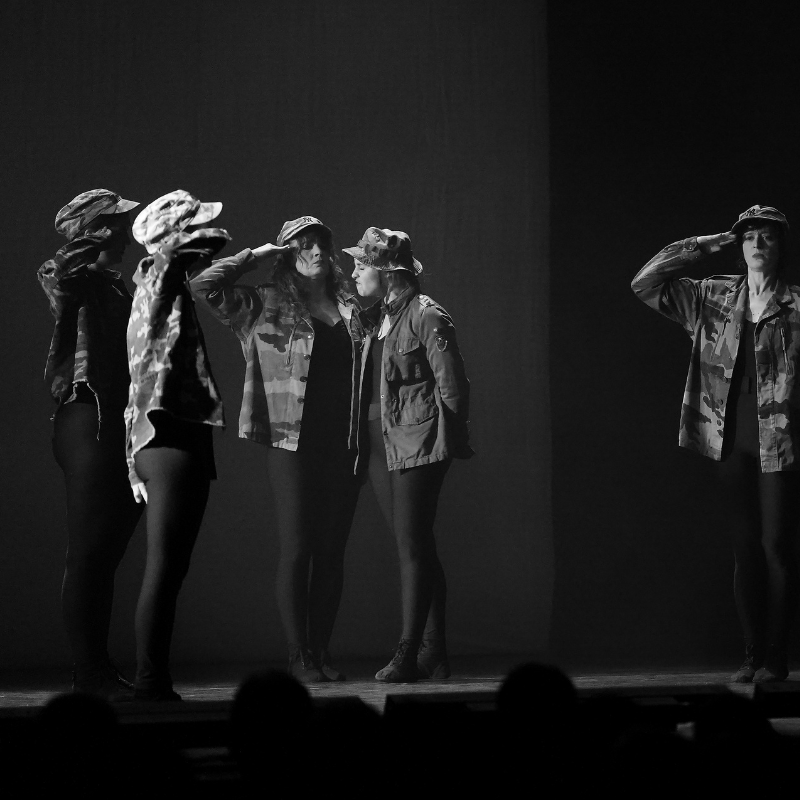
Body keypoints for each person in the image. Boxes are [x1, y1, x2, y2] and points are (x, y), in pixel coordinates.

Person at [191, 216, 367, 682]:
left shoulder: (351, 308)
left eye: (320, 244)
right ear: (288, 254)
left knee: (331, 551)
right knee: (298, 547)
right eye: (303, 245)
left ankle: (321, 651)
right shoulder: (262, 303)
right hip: (292, 442)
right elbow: (202, 287)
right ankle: (298, 655)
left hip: (345, 442)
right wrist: (256, 255)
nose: (315, 252)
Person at [632, 205, 800, 683]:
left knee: (776, 546)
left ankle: (776, 656)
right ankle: (751, 654)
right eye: (749, 237)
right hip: (728, 436)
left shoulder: (796, 305)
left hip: (780, 438)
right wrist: (704, 245)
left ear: (781, 246)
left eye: (767, 236)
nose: (757, 244)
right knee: (744, 548)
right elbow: (644, 283)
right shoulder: (713, 296)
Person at [346, 227, 473, 682]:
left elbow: (453, 385)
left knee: (412, 546)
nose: (354, 271)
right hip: (381, 444)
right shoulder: (377, 318)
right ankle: (434, 652)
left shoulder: (426, 315)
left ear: (386, 272)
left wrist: (447, 441)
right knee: (416, 545)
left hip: (417, 442)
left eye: (362, 264)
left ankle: (408, 653)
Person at [38, 188, 142, 699]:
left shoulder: (114, 285)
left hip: (117, 421)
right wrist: (90, 236)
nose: (125, 235)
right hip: (86, 417)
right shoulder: (69, 278)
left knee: (107, 552)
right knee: (88, 552)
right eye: (115, 226)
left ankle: (98, 665)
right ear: (93, 230)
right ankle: (88, 672)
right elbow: (56, 274)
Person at [127, 190, 229, 700]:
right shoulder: (159, 278)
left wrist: (130, 460)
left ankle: (154, 680)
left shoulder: (157, 286)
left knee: (170, 568)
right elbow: (208, 241)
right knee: (165, 568)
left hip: (166, 436)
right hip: (170, 437)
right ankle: (151, 682)